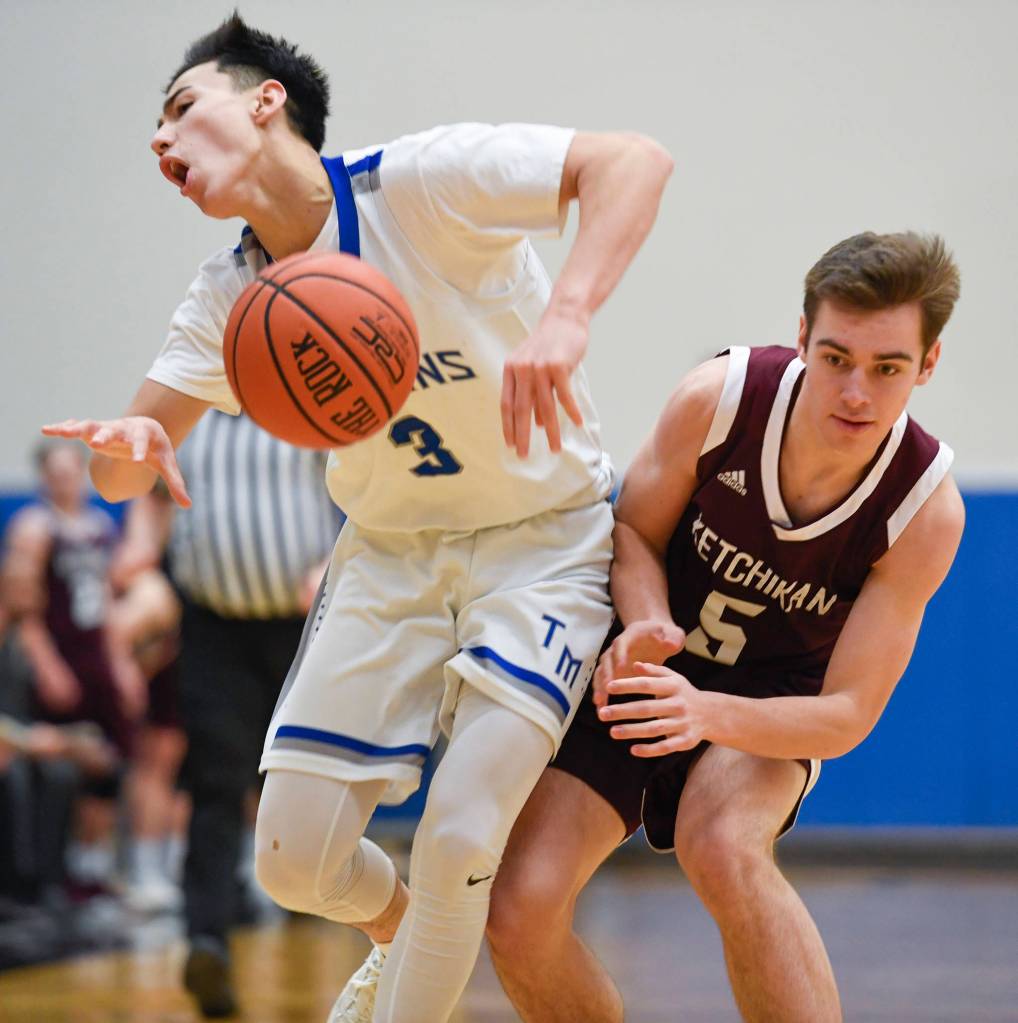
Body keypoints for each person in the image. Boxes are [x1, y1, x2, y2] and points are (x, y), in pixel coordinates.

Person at [41, 13, 673, 1022]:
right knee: (294, 863)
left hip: (541, 542)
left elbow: (633, 161)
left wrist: (569, 311)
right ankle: (405, 929)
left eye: (180, 108)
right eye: (151, 129)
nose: (159, 139)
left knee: (463, 836)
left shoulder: (422, 181)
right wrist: (128, 452)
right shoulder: (229, 296)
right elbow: (121, 474)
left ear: (265, 100)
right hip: (386, 555)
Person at [483, 231, 966, 1023]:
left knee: (724, 845)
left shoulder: (924, 509)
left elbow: (847, 712)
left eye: (887, 369)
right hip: (653, 661)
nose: (855, 392)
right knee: (518, 909)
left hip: (774, 700)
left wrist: (706, 714)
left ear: (928, 364)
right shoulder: (721, 399)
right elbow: (633, 532)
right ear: (802, 336)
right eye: (837, 357)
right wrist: (645, 623)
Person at [121, 411, 341, 1017]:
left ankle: (302, 908)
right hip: (212, 626)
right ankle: (206, 940)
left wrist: (333, 564)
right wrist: (140, 555)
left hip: (299, 626)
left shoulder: (303, 405)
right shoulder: (187, 413)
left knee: (297, 780)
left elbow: (361, 501)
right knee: (217, 782)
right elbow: (153, 500)